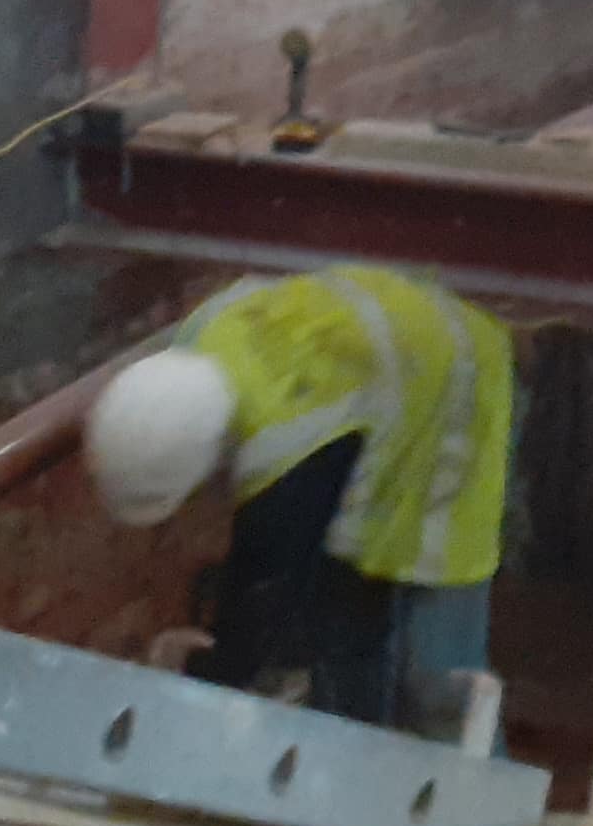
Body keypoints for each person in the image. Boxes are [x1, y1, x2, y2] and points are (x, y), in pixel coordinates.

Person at [85, 264, 516, 735]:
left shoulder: (285, 438)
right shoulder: (198, 343)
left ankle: (443, 757)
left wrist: (218, 674)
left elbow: (269, 577)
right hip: (392, 343)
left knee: (403, 598)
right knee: (343, 599)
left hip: (451, 377)